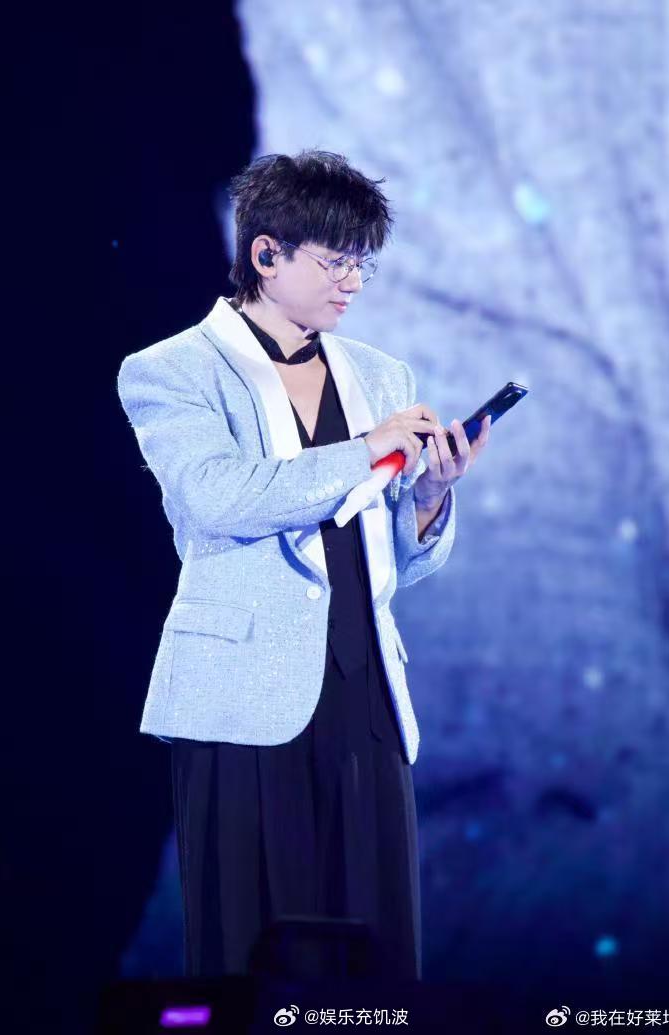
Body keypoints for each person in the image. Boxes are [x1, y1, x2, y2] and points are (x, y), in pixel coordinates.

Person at [116, 148, 490, 982]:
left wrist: (431, 496)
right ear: (266, 254)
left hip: (366, 695)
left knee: (379, 964)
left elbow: (392, 556)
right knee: (250, 960)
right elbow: (216, 498)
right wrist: (365, 451)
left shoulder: (380, 375)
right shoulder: (170, 370)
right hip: (243, 696)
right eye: (335, 262)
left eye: (362, 265)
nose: (352, 284)